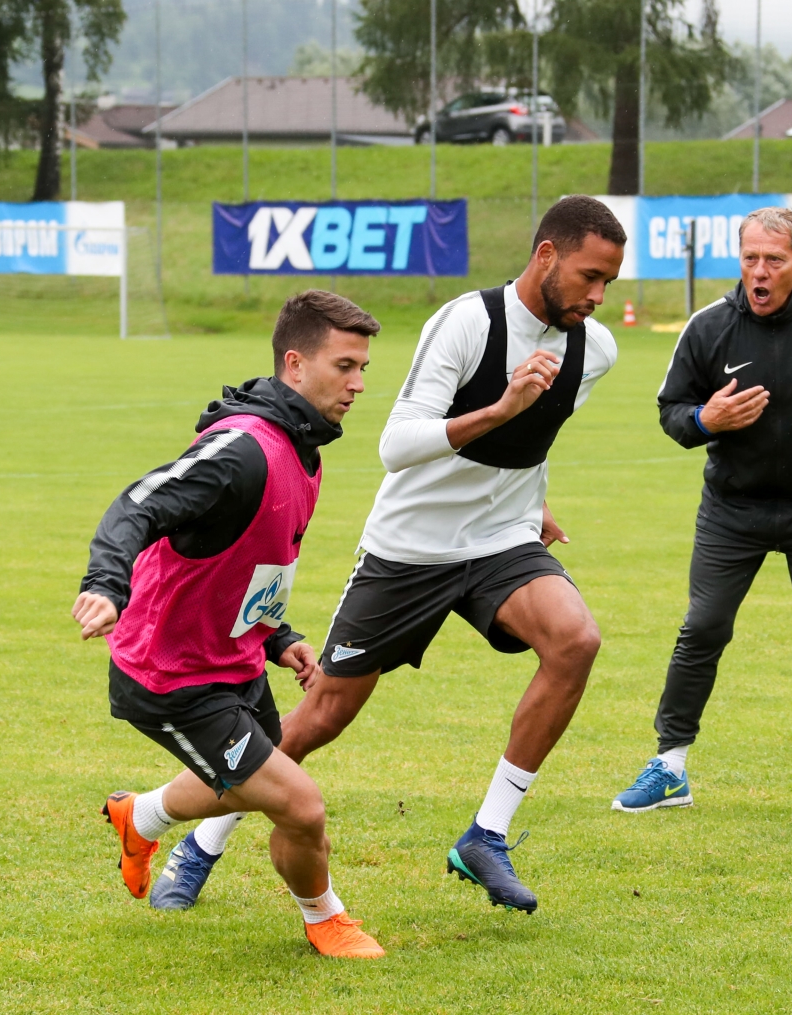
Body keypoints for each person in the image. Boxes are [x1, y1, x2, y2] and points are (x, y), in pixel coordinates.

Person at [149, 195, 628, 915]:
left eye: (608, 285)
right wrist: (497, 410)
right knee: (320, 717)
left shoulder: (595, 349)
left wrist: (534, 501)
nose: (596, 297)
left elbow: (534, 441)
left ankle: (486, 834)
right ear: (546, 256)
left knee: (576, 638)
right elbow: (397, 446)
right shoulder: (468, 322)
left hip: (499, 541)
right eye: (590, 276)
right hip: (409, 550)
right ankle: (200, 843)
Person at [71, 290, 386, 958]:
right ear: (295, 365)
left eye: (364, 368)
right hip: (171, 675)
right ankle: (325, 916)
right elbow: (137, 504)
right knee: (298, 804)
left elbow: (245, 562)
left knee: (253, 776)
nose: (359, 383)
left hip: (232, 661)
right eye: (345, 365)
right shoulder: (242, 450)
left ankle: (141, 814)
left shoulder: (304, 452)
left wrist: (279, 636)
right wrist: (106, 584)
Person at [611, 206, 792, 821]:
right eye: (750, 259)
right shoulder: (709, 327)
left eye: (774, 260)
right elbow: (671, 410)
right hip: (731, 511)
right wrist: (702, 421)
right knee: (703, 628)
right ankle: (670, 766)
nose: (760, 272)